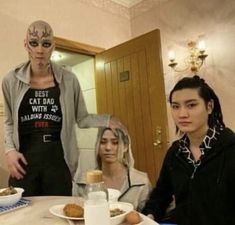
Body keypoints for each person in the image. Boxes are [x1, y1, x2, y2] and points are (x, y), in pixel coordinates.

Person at [1, 20, 125, 196]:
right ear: (25, 44)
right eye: (33, 43)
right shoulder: (10, 80)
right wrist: (9, 151)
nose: (39, 50)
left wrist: (106, 119)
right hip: (24, 162)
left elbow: (82, 118)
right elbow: (9, 122)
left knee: (59, 217)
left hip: (59, 162)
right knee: (23, 216)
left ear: (53, 46)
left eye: (46, 44)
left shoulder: (69, 79)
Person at [142, 75, 235, 225]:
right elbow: (161, 194)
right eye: (175, 106)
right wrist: (149, 217)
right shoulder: (175, 151)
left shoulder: (230, 148)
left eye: (191, 105)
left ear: (209, 106)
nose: (182, 114)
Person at [75, 127, 152, 211]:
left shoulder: (140, 182)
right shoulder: (83, 182)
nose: (108, 147)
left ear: (125, 147)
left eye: (115, 143)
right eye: (103, 142)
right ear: (97, 146)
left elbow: (146, 217)